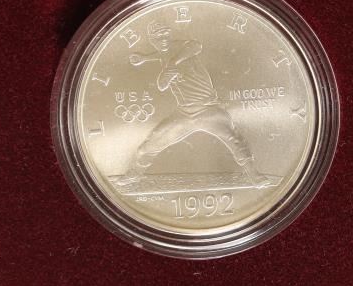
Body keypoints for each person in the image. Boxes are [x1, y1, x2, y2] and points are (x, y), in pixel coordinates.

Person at [114, 21, 268, 188]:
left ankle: (254, 175)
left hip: (209, 110)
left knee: (234, 139)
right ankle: (134, 175)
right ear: (152, 39)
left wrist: (173, 63)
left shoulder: (183, 48)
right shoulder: (163, 55)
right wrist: (147, 60)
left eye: (165, 33)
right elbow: (162, 84)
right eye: (158, 35)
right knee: (150, 144)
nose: (163, 38)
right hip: (184, 114)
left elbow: (195, 46)